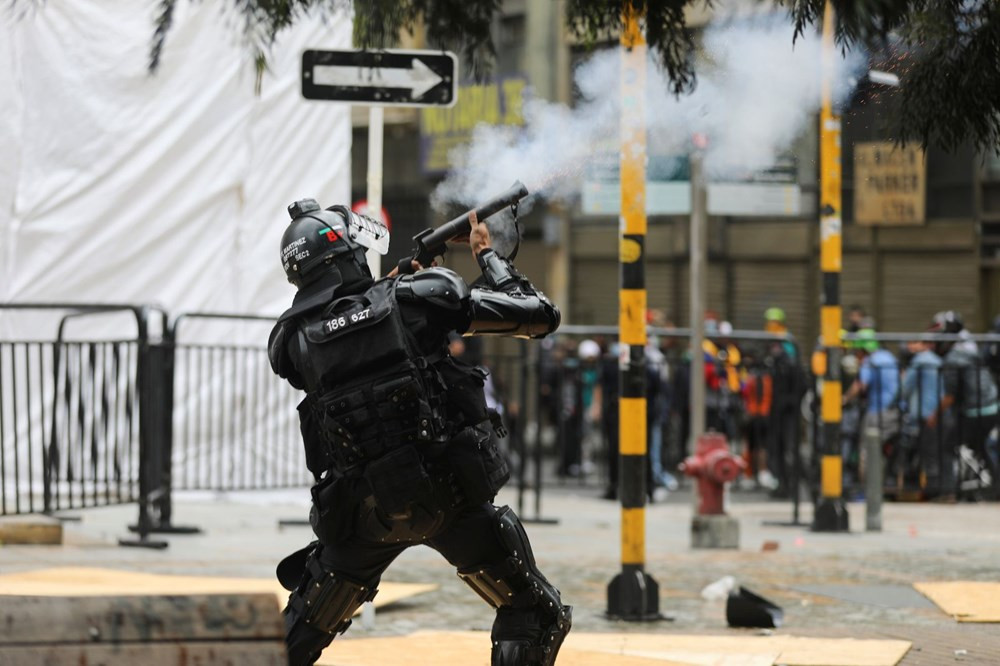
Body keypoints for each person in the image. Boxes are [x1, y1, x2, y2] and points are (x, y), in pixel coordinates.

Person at [267, 199, 570, 665]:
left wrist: (394, 285)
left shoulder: (291, 342)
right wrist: (489, 257)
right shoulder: (416, 298)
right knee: (533, 613)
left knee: (299, 631)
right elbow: (539, 315)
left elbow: (348, 329)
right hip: (446, 493)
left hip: (364, 512)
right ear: (348, 253)